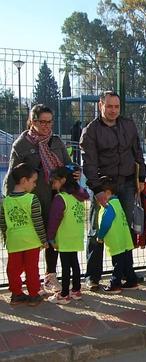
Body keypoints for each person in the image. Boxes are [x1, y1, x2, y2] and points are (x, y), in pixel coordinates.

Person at [80, 91, 146, 291]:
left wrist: (141, 177)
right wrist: (98, 190)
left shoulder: (128, 125)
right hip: (104, 188)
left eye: (116, 107)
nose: (113, 110)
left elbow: (138, 152)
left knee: (126, 231)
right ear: (100, 105)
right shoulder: (91, 131)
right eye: (109, 106)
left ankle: (128, 273)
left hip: (127, 184)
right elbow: (89, 164)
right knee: (96, 231)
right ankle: (93, 276)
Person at [4, 104, 74, 294]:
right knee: (32, 241)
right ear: (32, 121)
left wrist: (72, 173)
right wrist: (11, 202)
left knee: (52, 239)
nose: (46, 126)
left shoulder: (56, 142)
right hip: (31, 202)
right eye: (42, 122)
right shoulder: (22, 145)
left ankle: (50, 276)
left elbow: (68, 165)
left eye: (49, 122)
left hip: (56, 200)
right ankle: (27, 282)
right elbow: (12, 176)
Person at [0, 163, 46, 306]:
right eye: (33, 181)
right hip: (31, 240)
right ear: (24, 180)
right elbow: (38, 222)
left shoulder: (5, 201)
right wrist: (43, 239)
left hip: (14, 240)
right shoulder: (32, 199)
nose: (35, 184)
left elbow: (2, 222)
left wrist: (5, 237)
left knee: (13, 269)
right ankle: (33, 295)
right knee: (31, 268)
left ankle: (16, 294)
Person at [47, 165, 89, 304]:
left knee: (65, 266)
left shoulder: (60, 198)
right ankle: (76, 290)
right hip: (76, 235)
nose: (52, 184)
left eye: (54, 181)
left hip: (64, 237)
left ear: (63, 180)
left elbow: (54, 220)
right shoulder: (78, 196)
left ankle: (64, 294)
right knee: (74, 264)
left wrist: (51, 237)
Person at [96, 177, 138, 294]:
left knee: (117, 264)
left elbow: (106, 222)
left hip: (116, 240)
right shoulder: (117, 202)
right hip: (125, 239)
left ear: (107, 193)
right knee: (127, 262)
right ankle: (131, 281)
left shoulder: (109, 206)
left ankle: (115, 284)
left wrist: (100, 236)